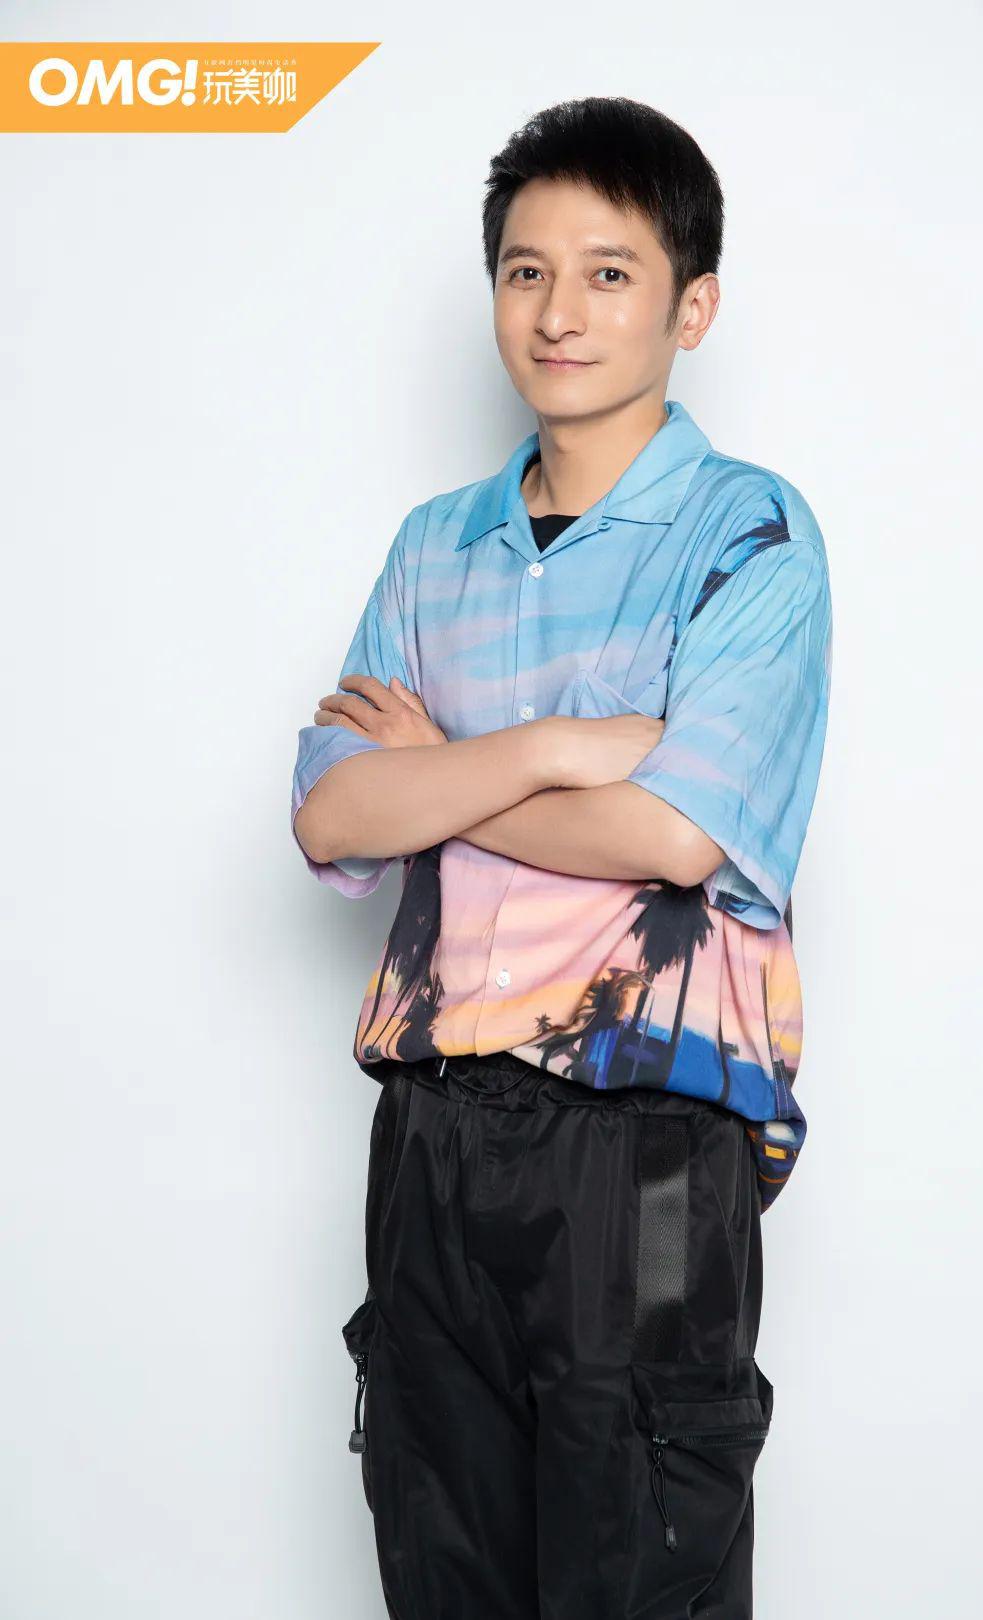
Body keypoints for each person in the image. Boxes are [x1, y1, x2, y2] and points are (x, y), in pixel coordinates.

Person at [291, 95, 832, 1620]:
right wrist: (552, 747)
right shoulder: (434, 545)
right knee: (442, 1570)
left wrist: (437, 777)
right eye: (525, 271)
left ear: (690, 306)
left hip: (645, 1142)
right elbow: (331, 815)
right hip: (431, 1136)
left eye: (608, 272)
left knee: (634, 1567)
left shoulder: (749, 536)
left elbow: (674, 832)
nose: (558, 311)